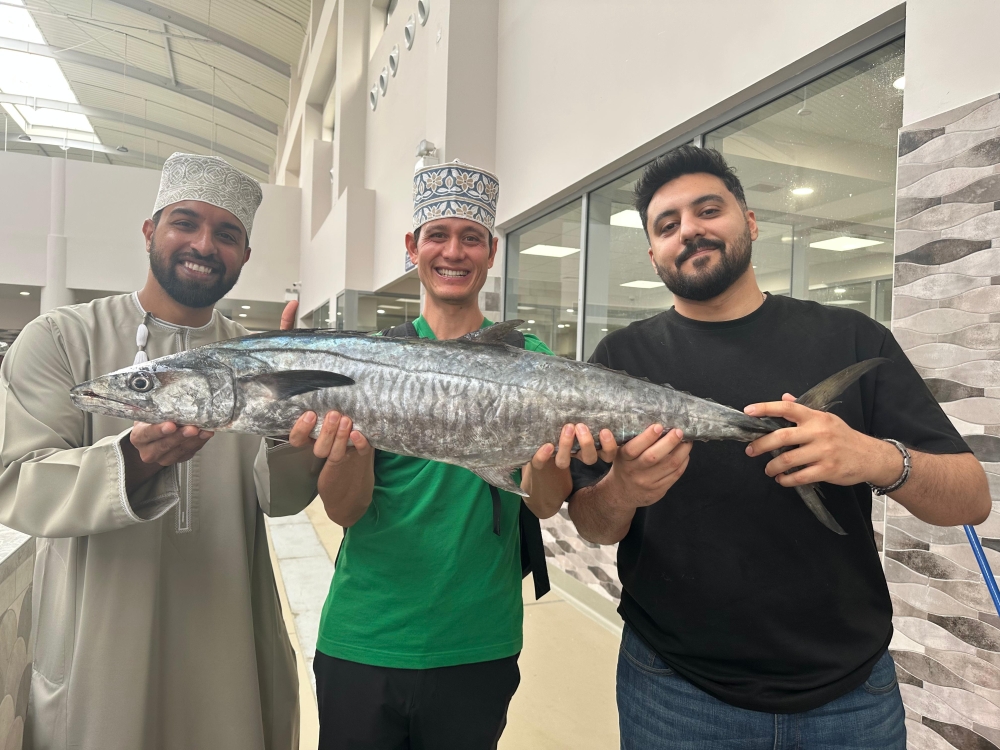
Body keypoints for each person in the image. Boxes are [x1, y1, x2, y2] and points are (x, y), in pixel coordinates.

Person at [567, 145, 992, 749]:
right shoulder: (619, 359)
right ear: (653, 252)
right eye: (667, 226)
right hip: (675, 691)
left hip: (850, 696)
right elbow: (593, 524)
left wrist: (871, 458)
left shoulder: (851, 338)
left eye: (708, 210)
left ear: (750, 221)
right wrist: (623, 490)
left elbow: (970, 498)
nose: (689, 230)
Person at [0, 153, 317, 750]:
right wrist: (134, 459)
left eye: (227, 234)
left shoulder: (263, 360)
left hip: (230, 636)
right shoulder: (62, 339)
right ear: (150, 232)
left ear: (245, 255)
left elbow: (284, 499)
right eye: (185, 223)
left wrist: (291, 432)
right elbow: (16, 481)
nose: (204, 244)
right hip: (98, 647)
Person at [287, 160, 589, 750]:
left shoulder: (528, 359)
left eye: (471, 237)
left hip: (478, 640)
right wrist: (344, 449)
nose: (454, 252)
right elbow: (346, 512)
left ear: (491, 251)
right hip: (364, 635)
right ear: (412, 248)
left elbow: (547, 505)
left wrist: (550, 454)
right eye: (438, 235)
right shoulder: (371, 362)